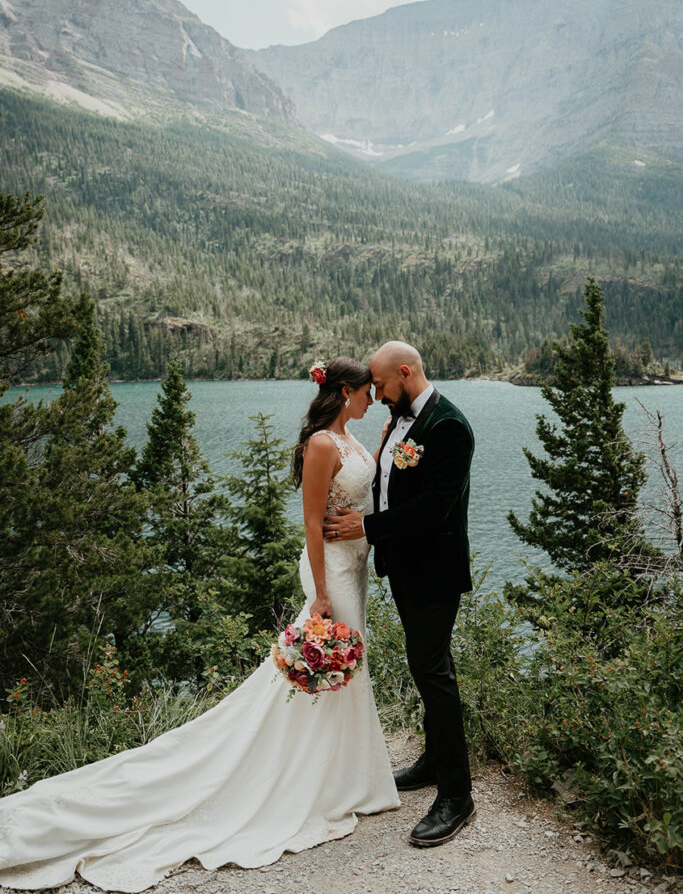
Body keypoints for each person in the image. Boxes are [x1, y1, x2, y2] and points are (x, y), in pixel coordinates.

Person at [0, 357, 399, 894]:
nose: (374, 398)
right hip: (332, 573)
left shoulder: (349, 438)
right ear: (346, 391)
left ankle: (345, 772)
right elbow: (310, 521)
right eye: (367, 391)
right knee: (338, 668)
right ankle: (326, 779)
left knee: (346, 673)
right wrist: (321, 593)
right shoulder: (323, 446)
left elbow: (361, 493)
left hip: (356, 564)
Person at [325, 341, 475, 848]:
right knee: (423, 665)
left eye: (383, 386)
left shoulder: (449, 427)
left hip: (435, 573)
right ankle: (436, 760)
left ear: (405, 374)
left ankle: (457, 795)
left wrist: (365, 528)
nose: (380, 396)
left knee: (434, 672)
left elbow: (433, 510)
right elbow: (389, 481)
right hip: (406, 571)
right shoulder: (397, 424)